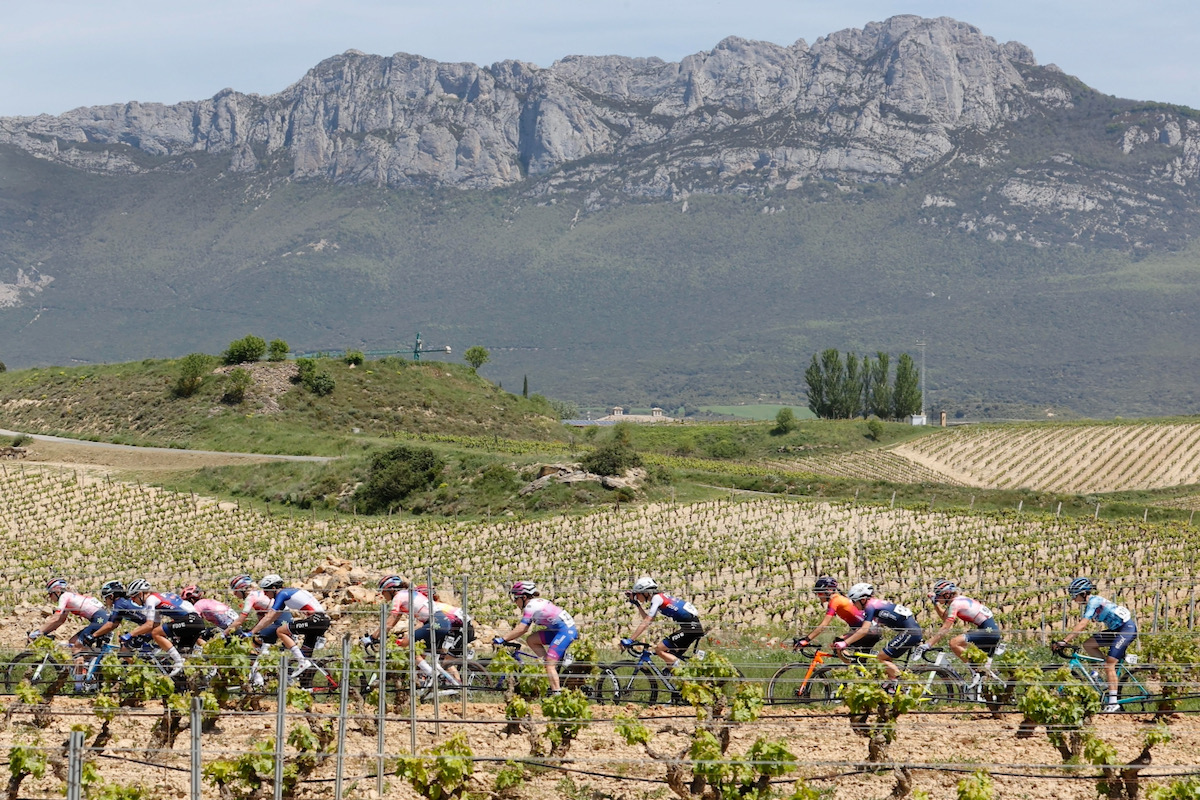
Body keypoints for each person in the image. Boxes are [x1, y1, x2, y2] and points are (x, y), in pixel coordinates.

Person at [1056, 577, 1136, 713]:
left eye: (1075, 596)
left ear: (1084, 593)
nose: (1074, 599)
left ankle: (1113, 703)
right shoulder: (1091, 603)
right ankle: (1101, 676)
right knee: (1088, 645)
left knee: (1109, 665)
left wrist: (1065, 641)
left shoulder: (1094, 602)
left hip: (1126, 629)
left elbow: (1082, 624)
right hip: (1115, 630)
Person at [362, 576, 460, 685]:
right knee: (420, 652)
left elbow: (391, 620)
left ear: (391, 589)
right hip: (440, 622)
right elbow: (395, 620)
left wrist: (373, 637)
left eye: (383, 591)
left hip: (435, 622)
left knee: (408, 647)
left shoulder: (398, 597)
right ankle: (448, 681)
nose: (382, 595)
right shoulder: (407, 594)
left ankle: (435, 676)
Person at [492, 581, 578, 694]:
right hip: (558, 630)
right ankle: (546, 667)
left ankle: (557, 694)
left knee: (549, 664)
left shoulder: (531, 606)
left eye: (515, 598)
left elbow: (523, 628)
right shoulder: (537, 602)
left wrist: (503, 639)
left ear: (523, 597)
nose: (514, 602)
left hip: (565, 632)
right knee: (531, 640)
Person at [915, 580, 1002, 685]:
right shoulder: (956, 601)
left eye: (938, 596)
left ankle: (975, 672)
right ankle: (981, 675)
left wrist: (928, 644)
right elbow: (944, 617)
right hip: (988, 630)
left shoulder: (956, 604)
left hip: (988, 631)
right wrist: (935, 603)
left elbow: (946, 627)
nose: (937, 598)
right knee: (981, 668)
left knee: (954, 643)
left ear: (947, 594)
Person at [836, 583, 923, 684]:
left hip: (909, 632)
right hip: (910, 631)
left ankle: (903, 684)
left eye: (854, 602)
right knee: (885, 661)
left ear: (863, 600)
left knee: (880, 657)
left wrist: (845, 643)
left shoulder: (870, 606)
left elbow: (864, 630)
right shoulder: (875, 604)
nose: (854, 605)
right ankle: (892, 684)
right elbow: (866, 628)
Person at [250, 574, 330, 680]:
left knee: (280, 631)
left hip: (316, 620)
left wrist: (252, 632)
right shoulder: (289, 593)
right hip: (321, 620)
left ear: (274, 588)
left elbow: (269, 616)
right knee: (305, 654)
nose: (264, 594)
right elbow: (272, 618)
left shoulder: (282, 594)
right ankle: (305, 684)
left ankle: (302, 662)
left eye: (266, 590)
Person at [124, 579, 205, 676]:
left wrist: (130, 634)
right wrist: (142, 636)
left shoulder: (150, 599)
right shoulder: (158, 598)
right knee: (185, 655)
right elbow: (154, 626)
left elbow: (150, 626)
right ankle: (204, 672)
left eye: (133, 597)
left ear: (140, 594)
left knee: (156, 633)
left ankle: (178, 662)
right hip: (196, 621)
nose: (132, 600)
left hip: (189, 620)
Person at [623, 576, 704, 671]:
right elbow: (648, 619)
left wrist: (631, 639)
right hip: (692, 627)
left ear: (646, 592)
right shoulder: (660, 597)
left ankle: (680, 669)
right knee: (669, 660)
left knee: (659, 649)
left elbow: (647, 622)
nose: (637, 597)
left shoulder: (656, 598)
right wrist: (637, 605)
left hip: (690, 628)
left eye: (638, 594)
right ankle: (680, 678)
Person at [794, 576, 880, 653]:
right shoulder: (840, 599)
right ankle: (854, 668)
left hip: (867, 630)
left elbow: (824, 625)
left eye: (820, 593)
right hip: (870, 629)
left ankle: (850, 669)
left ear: (829, 591)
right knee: (854, 657)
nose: (819, 596)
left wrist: (806, 639)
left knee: (837, 645)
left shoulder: (835, 601)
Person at [29, 578, 111, 657]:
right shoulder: (70, 597)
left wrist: (38, 632)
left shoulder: (64, 597)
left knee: (75, 646)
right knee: (74, 643)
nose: (49, 597)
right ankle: (93, 665)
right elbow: (60, 621)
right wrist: (45, 632)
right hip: (102, 619)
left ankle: (84, 669)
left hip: (99, 620)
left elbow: (55, 618)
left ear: (57, 591)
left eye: (50, 594)